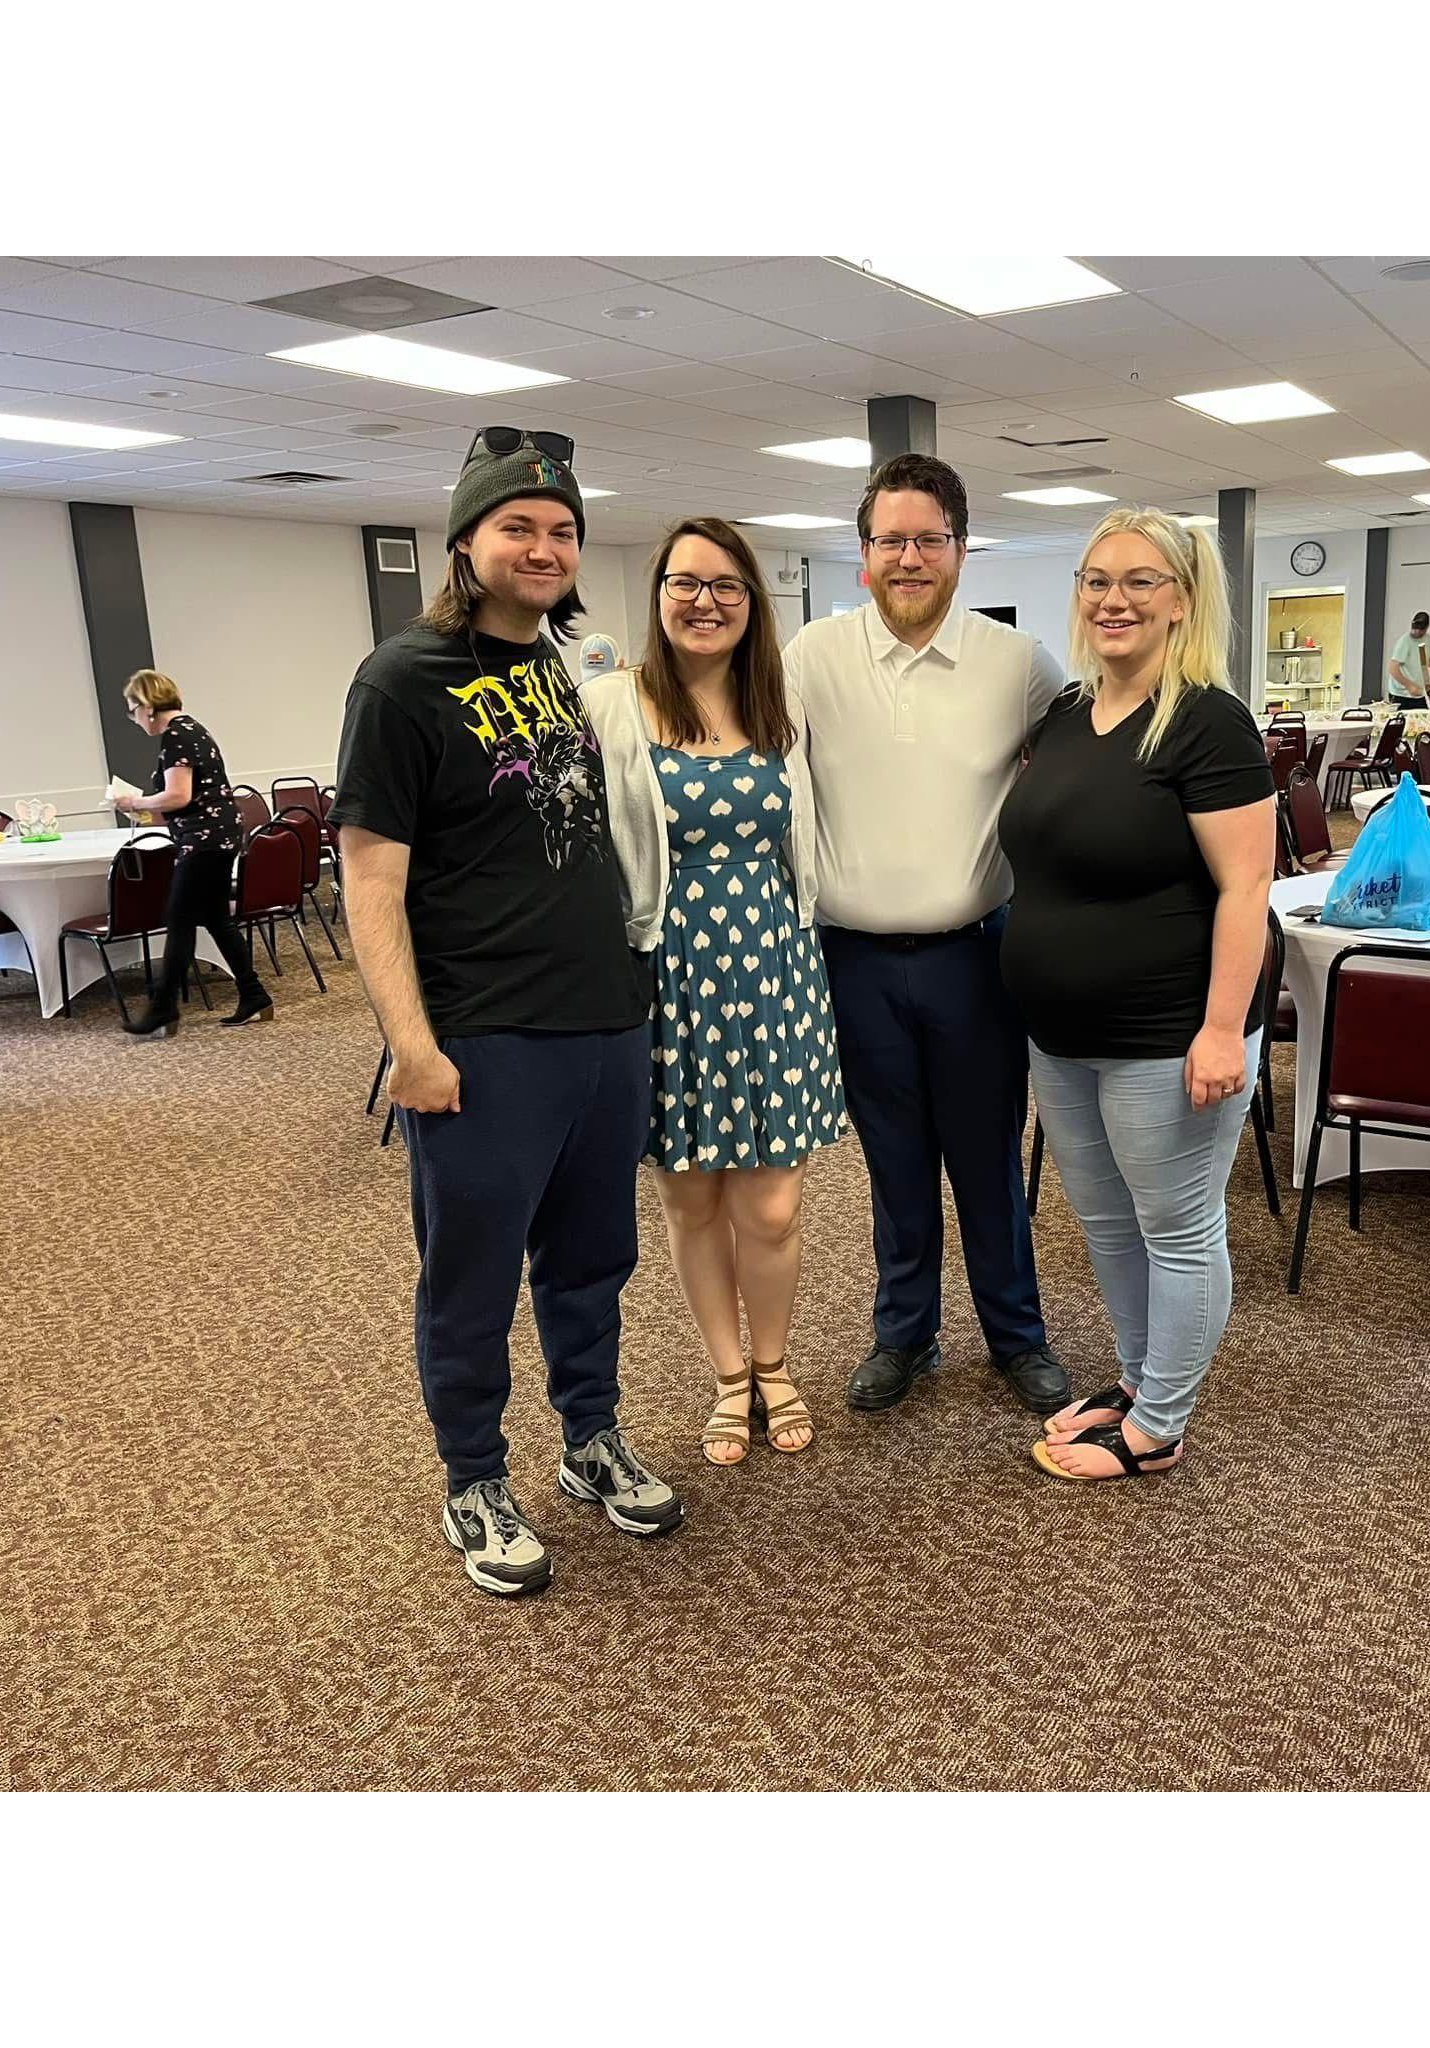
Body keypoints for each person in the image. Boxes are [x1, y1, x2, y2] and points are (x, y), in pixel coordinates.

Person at [330, 426, 680, 1599]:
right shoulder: (401, 680)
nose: (543, 546)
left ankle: (590, 1437)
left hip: (603, 1023)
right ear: (465, 540)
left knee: (594, 1260)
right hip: (481, 1036)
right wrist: (411, 1047)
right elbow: (369, 880)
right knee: (472, 1277)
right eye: (517, 527)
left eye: (562, 530)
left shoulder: (570, 666)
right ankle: (473, 1474)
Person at [784, 453, 1071, 1418]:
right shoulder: (813, 657)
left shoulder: (1018, 663)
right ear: (862, 552)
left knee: (987, 1158)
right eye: (889, 540)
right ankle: (903, 1336)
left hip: (975, 957)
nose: (910, 558)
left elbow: (1090, 759)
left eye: (929, 539)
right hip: (852, 960)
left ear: (960, 547)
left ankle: (1016, 1337)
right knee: (893, 1161)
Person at [1000, 508, 1275, 1481]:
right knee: (1108, 1224)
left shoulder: (1206, 719)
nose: (1112, 599)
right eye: (1095, 579)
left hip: (1166, 1033)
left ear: (1182, 601)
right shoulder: (1068, 715)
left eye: (1139, 580)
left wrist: (1218, 1028)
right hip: (1059, 1031)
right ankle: (1132, 1378)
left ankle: (1158, 1423)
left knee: (1178, 1227)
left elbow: (1247, 886)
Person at [582, 519, 845, 1466]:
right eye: (685, 583)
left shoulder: (780, 705)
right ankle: (730, 1376)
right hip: (668, 980)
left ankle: (776, 1365)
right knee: (691, 1201)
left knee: (771, 1205)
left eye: (727, 585)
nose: (705, 601)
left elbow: (803, 844)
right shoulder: (614, 705)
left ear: (752, 602)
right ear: (656, 595)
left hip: (775, 974)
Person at [111, 671, 272, 1036]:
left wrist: (134, 800)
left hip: (204, 840)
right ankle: (253, 992)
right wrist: (147, 807)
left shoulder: (176, 736)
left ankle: (163, 1007)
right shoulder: (192, 729)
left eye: (133, 710)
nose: (134, 719)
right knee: (215, 917)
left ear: (149, 707)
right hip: (217, 834)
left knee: (179, 918)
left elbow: (179, 796)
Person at [1386, 610, 1430, 712]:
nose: (1416, 632)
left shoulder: (1428, 640)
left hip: (1418, 693)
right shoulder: (1404, 641)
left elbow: (1429, 662)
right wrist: (1409, 685)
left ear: (1426, 628)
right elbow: (1393, 667)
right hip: (1401, 694)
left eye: (1420, 630)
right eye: (1414, 629)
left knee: (1423, 722)